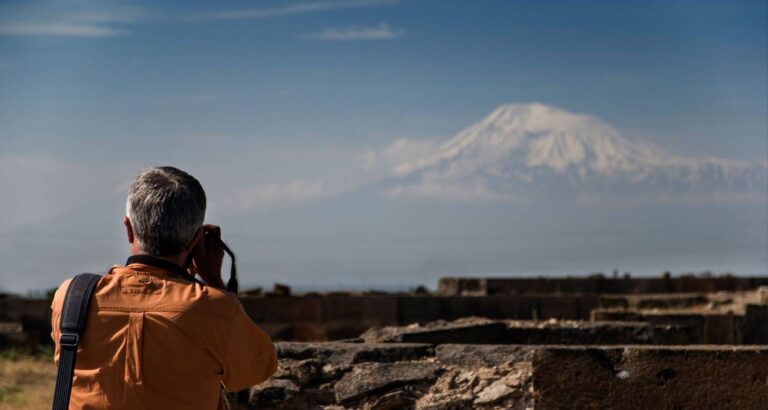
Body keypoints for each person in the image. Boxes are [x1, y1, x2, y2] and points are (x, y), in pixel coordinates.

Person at [50, 166, 278, 409]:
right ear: (195, 241)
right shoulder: (216, 310)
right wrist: (214, 280)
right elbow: (258, 368)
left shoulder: (72, 297)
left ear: (128, 229)